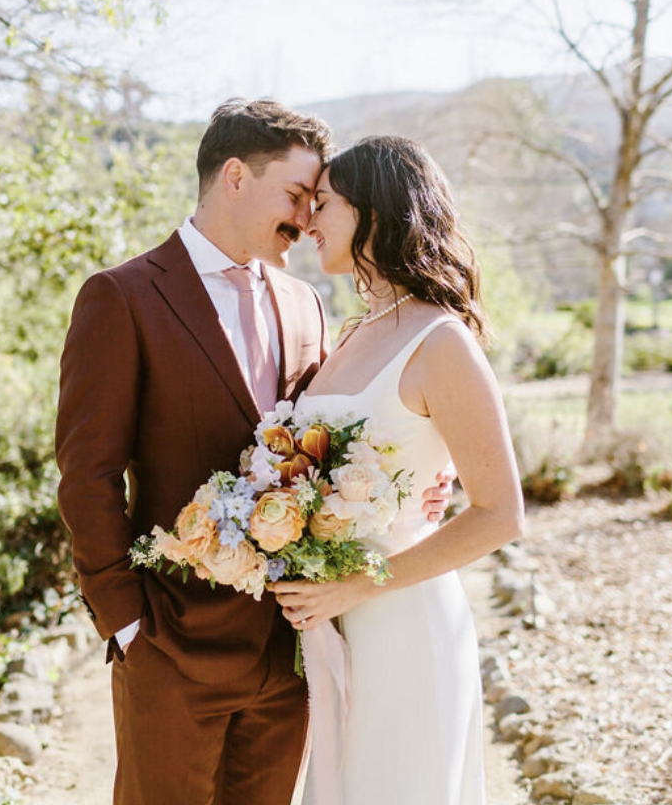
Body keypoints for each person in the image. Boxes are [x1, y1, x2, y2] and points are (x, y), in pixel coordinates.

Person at [55, 101, 453, 805]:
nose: (307, 220)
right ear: (236, 176)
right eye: (297, 195)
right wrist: (128, 627)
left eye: (315, 202)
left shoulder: (306, 304)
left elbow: (336, 440)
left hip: (290, 651)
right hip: (171, 649)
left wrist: (425, 474)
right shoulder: (121, 297)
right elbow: (87, 476)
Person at [274, 135, 525, 805]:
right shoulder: (353, 333)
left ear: (375, 216)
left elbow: (501, 513)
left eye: (324, 203)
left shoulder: (441, 342)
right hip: (336, 622)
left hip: (405, 622)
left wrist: (360, 584)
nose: (307, 221)